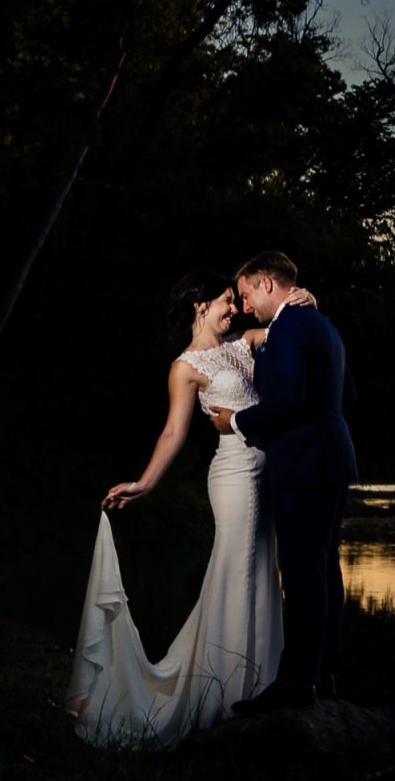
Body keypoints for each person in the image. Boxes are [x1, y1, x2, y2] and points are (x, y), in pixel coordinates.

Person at [65, 271, 312, 746]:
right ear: (199, 306)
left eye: (233, 301)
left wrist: (306, 298)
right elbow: (174, 432)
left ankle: (260, 685)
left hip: (269, 475)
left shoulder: (244, 341)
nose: (233, 308)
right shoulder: (185, 367)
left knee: (262, 571)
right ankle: (223, 695)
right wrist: (144, 484)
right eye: (224, 300)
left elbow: (289, 323)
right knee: (236, 570)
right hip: (234, 477)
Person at [212, 249, 356, 712]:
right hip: (331, 457)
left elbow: (289, 401)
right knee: (324, 572)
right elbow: (346, 393)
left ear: (268, 282)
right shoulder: (320, 324)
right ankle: (324, 673)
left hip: (305, 462)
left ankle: (296, 686)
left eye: (248, 292)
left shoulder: (292, 326)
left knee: (302, 575)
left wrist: (235, 421)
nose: (246, 303)